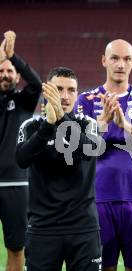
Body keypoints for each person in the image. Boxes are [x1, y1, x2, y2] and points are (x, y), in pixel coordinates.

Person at [75, 39, 132, 271]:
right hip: (98, 200)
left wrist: (125, 125)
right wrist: (103, 122)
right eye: (115, 58)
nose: (120, 64)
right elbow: (80, 149)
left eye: (126, 59)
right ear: (104, 61)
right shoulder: (86, 100)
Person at [16, 67, 102, 270]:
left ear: (77, 94)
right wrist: (48, 126)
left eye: (71, 90)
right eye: (59, 89)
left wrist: (62, 118)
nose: (65, 96)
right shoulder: (30, 126)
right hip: (42, 229)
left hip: (83, 229)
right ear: (47, 92)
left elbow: (88, 151)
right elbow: (21, 159)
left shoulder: (88, 124)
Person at [0, 30, 41, 271]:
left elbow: (36, 82)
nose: (5, 75)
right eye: (1, 71)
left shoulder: (24, 102)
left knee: (16, 248)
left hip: (16, 184)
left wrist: (13, 57)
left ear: (16, 76)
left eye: (10, 71)